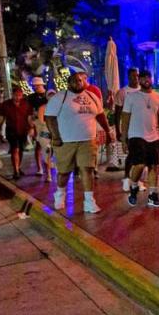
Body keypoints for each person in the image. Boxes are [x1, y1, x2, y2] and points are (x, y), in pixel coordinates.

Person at [44, 69, 112, 214]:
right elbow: (49, 118)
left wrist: (108, 131)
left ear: (84, 82)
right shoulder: (60, 98)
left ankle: (89, 201)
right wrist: (55, 136)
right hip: (66, 141)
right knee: (64, 172)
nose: (78, 83)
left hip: (88, 140)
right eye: (75, 80)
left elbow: (100, 116)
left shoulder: (92, 97)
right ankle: (60, 194)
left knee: (87, 170)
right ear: (68, 83)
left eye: (80, 80)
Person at [120, 70, 159, 208]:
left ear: (151, 79)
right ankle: (133, 187)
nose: (146, 80)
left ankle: (153, 195)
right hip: (136, 135)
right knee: (139, 164)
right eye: (143, 78)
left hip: (154, 136)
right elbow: (125, 118)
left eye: (148, 77)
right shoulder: (131, 97)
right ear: (139, 80)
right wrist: (123, 139)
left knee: (153, 166)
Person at [115, 67, 141, 191]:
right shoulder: (123, 92)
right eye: (132, 76)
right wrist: (118, 131)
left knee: (140, 155)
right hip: (129, 128)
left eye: (137, 76)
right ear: (128, 77)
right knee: (131, 154)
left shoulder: (143, 90)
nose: (135, 78)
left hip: (142, 127)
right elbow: (117, 113)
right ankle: (126, 177)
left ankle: (136, 179)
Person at [0, 86, 31, 179]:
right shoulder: (6, 104)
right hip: (11, 130)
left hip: (23, 130)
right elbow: (1, 118)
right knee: (14, 149)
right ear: (13, 95)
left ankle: (18, 167)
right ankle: (16, 170)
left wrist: (31, 128)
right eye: (16, 95)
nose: (18, 97)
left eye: (20, 95)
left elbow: (29, 117)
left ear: (22, 95)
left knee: (21, 150)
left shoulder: (26, 104)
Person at [34, 89, 55, 183]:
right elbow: (41, 121)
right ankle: (48, 174)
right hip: (45, 133)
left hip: (55, 133)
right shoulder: (42, 108)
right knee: (47, 153)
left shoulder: (59, 107)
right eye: (50, 95)